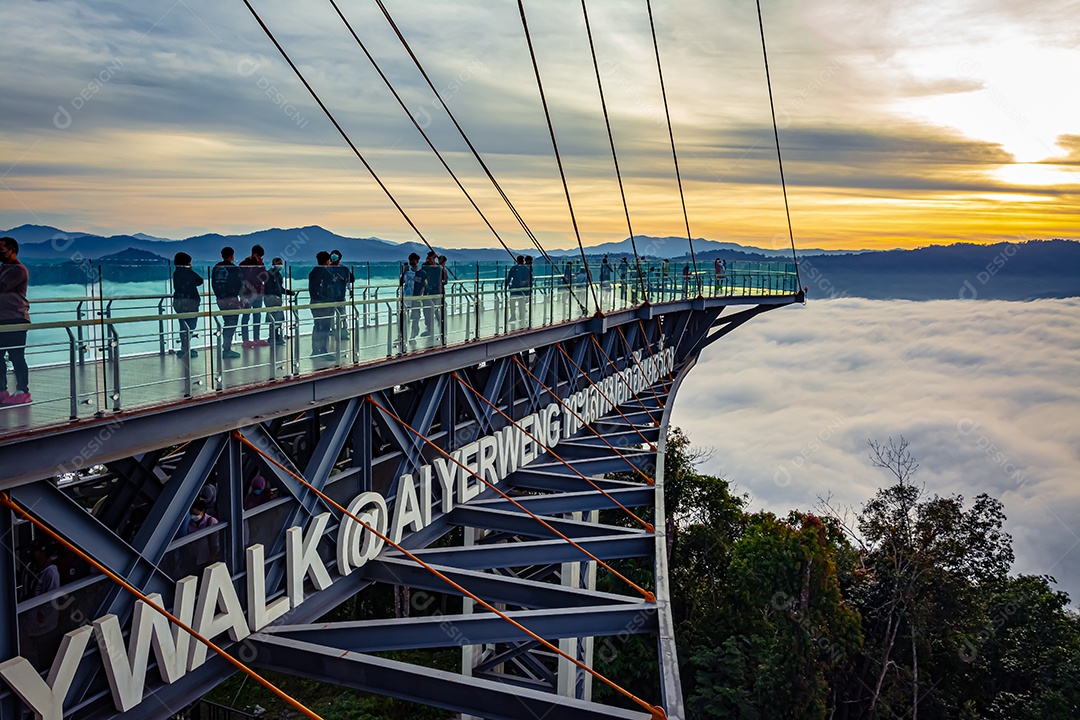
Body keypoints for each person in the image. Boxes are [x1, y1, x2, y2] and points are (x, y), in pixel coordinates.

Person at [0, 237, 31, 405]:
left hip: (16, 319)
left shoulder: (18, 270)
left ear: (12, 250)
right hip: (2, 320)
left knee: (16, 356)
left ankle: (23, 391)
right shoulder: (3, 269)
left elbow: (2, 287)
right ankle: (2, 391)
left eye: (1, 249)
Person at [211, 247, 245, 359]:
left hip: (220, 299)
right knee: (231, 323)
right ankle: (226, 349)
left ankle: (226, 347)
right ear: (232, 256)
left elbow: (213, 284)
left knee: (227, 322)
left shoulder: (216, 268)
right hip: (231, 299)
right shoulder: (234, 269)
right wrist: (242, 298)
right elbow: (240, 284)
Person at [172, 252, 202, 359]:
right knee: (191, 325)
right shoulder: (188, 272)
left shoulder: (176, 273)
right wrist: (190, 269)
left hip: (178, 302)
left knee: (183, 326)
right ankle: (186, 348)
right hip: (190, 303)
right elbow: (200, 280)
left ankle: (184, 347)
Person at [239, 245, 269, 348]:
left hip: (258, 294)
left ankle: (256, 338)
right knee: (246, 316)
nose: (260, 258)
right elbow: (240, 280)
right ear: (253, 253)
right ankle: (245, 339)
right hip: (247, 294)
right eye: (258, 256)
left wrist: (261, 264)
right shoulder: (243, 265)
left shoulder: (260, 265)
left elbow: (265, 278)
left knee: (257, 316)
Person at [264, 257, 297, 346]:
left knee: (276, 318)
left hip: (276, 297)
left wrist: (289, 292)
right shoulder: (269, 274)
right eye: (278, 263)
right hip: (271, 297)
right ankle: (273, 337)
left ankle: (275, 336)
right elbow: (273, 288)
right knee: (276, 317)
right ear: (273, 264)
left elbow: (280, 288)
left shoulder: (278, 275)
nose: (280, 265)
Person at [308, 251, 334, 359]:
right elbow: (328, 288)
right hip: (324, 304)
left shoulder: (313, 272)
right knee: (324, 327)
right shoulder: (326, 273)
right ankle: (323, 350)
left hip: (314, 302)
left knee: (317, 326)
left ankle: (315, 350)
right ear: (327, 260)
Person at [182, 500, 219, 569]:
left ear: (202, 511)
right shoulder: (190, 524)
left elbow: (216, 543)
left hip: (209, 558)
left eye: (196, 514)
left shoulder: (211, 522)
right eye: (191, 513)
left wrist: (212, 558)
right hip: (196, 558)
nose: (193, 516)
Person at [327, 249, 353, 341]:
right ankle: (332, 330)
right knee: (330, 315)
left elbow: (349, 280)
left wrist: (351, 290)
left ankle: (344, 330)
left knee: (342, 314)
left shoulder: (344, 269)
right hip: (329, 296)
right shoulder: (326, 268)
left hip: (340, 295)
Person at [400, 252, 424, 341]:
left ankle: (413, 334)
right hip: (406, 297)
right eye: (410, 261)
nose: (412, 262)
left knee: (415, 317)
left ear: (417, 261)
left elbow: (423, 286)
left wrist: (419, 296)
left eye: (413, 260)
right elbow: (401, 282)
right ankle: (402, 335)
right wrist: (404, 271)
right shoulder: (407, 272)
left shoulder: (422, 273)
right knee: (404, 317)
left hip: (416, 298)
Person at [421, 251, 444, 337]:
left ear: (434, 260)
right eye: (426, 258)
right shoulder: (425, 266)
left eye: (429, 259)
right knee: (426, 312)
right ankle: (429, 329)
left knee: (437, 312)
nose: (427, 260)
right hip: (427, 293)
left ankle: (441, 328)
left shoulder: (438, 268)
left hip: (436, 293)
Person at [506, 255, 530, 324]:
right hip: (515, 288)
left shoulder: (524, 268)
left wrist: (524, 283)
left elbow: (509, 277)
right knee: (514, 303)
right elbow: (509, 277)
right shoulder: (515, 268)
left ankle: (519, 317)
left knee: (519, 304)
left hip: (520, 289)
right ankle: (515, 316)